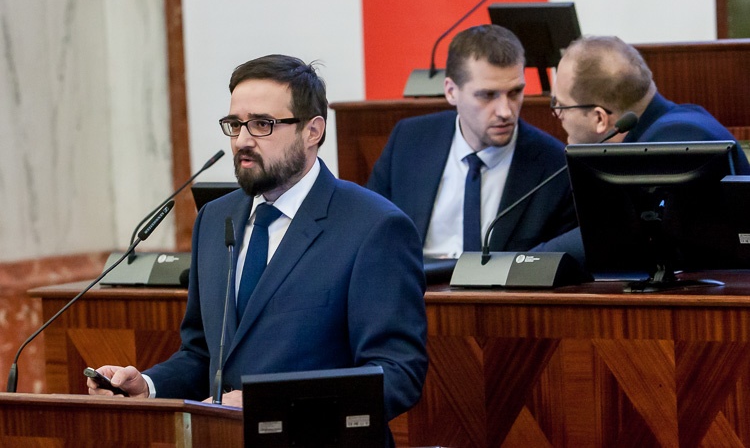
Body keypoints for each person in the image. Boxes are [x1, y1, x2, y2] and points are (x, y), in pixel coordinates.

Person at [88, 54, 428, 432]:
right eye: (235, 124)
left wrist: (272, 405)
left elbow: (397, 374)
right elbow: (203, 354)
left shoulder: (375, 227)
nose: (242, 141)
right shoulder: (215, 219)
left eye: (262, 124)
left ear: (313, 131)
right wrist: (149, 386)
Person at [534, 35, 750, 263]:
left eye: (561, 105)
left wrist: (526, 263)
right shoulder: (680, 122)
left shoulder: (674, 140)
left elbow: (614, 233)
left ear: (599, 118)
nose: (558, 114)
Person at [367, 24, 576, 259]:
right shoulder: (409, 140)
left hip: (504, 284)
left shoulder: (555, 166)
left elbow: (561, 265)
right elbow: (370, 229)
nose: (505, 111)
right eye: (487, 95)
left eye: (515, 93)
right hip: (416, 279)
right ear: (451, 91)